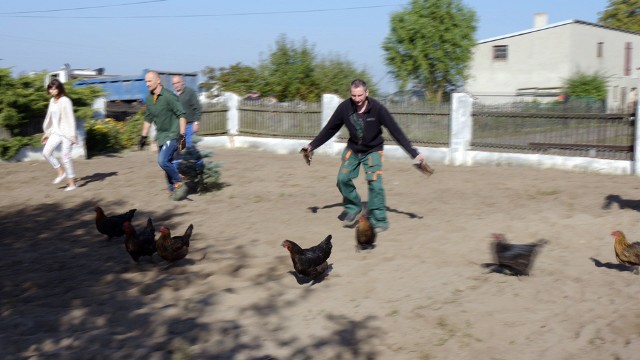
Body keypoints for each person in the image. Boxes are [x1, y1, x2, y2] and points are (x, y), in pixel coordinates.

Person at [302, 79, 425, 233]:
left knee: (375, 185)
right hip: (353, 149)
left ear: (367, 93)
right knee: (342, 179)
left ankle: (379, 220)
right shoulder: (344, 108)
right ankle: (353, 206)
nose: (357, 99)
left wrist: (414, 152)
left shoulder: (378, 109)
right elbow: (330, 129)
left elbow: (396, 131)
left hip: (373, 150)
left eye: (360, 95)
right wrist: (312, 145)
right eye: (354, 96)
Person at [139, 71, 187, 194]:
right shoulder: (149, 98)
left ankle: (178, 179)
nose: (147, 84)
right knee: (167, 164)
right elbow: (148, 119)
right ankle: (172, 191)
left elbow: (182, 116)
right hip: (161, 136)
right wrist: (143, 137)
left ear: (158, 80)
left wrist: (182, 137)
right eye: (146, 81)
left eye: (149, 81)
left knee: (162, 161)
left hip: (173, 134)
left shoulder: (169, 96)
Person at [41, 79, 78, 191]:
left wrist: (72, 135)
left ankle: (72, 184)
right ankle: (61, 172)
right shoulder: (52, 101)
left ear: (59, 88)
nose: (52, 91)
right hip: (55, 132)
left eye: (54, 88)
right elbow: (49, 118)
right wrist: (46, 133)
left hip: (66, 133)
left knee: (65, 158)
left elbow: (71, 118)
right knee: (46, 152)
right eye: (50, 89)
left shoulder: (65, 100)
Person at [172, 75, 202, 147]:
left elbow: (198, 108)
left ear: (182, 82)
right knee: (177, 148)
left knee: (190, 147)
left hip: (189, 125)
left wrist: (196, 122)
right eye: (174, 83)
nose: (176, 85)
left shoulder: (190, 92)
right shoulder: (172, 95)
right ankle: (178, 158)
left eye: (178, 82)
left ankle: (198, 158)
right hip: (177, 126)